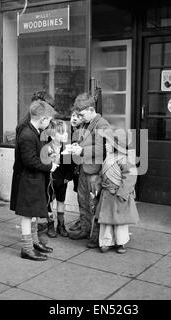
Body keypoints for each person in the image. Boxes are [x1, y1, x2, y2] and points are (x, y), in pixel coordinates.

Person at [10, 100, 58, 261]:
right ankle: (27, 248)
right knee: (27, 215)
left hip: (32, 180)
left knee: (34, 213)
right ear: (43, 119)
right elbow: (29, 161)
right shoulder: (27, 134)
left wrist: (47, 154)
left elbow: (34, 156)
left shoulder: (34, 131)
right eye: (49, 120)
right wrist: (49, 166)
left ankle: (35, 242)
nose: (50, 122)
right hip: (27, 181)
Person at [69, 93, 110, 248]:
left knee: (94, 204)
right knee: (83, 200)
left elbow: (102, 149)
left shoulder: (102, 124)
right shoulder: (87, 123)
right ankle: (85, 229)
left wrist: (80, 151)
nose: (79, 117)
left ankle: (95, 235)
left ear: (91, 109)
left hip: (94, 171)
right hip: (85, 168)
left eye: (81, 114)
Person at [96, 127, 139, 254]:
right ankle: (106, 242)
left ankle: (121, 242)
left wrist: (123, 193)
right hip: (107, 194)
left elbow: (130, 177)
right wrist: (97, 187)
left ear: (115, 145)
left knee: (120, 221)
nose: (105, 144)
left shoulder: (125, 159)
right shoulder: (108, 158)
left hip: (119, 194)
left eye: (107, 142)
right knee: (106, 220)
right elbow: (101, 175)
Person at [43, 120, 75, 238]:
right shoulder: (46, 148)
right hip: (49, 180)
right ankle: (50, 224)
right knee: (48, 202)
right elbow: (43, 164)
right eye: (61, 133)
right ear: (52, 135)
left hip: (62, 180)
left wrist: (67, 178)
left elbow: (69, 166)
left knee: (61, 201)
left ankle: (61, 225)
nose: (65, 135)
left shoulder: (66, 148)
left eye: (66, 132)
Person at [68, 109, 83, 232]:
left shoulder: (82, 132)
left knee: (83, 196)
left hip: (81, 168)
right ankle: (82, 218)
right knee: (79, 195)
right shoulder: (68, 131)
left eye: (78, 116)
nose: (74, 118)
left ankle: (83, 220)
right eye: (73, 115)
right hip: (73, 169)